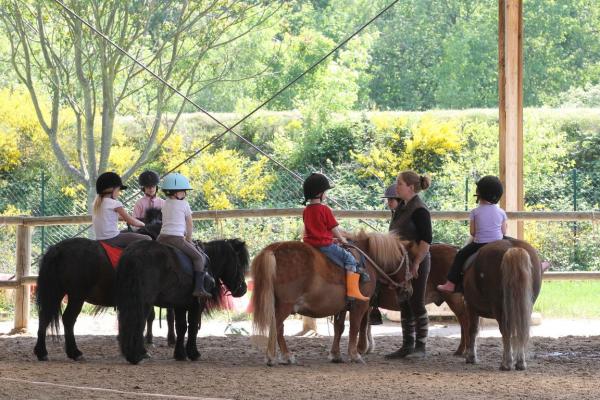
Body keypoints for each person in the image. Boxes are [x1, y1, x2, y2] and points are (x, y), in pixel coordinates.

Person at [385, 171, 432, 359]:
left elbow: (426, 240)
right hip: (401, 262)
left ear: (411, 187)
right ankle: (407, 345)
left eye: (400, 184)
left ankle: (421, 346)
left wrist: (416, 264)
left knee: (416, 301)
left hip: (415, 260)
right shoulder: (403, 207)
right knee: (404, 301)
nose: (397, 187)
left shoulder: (420, 209)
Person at [302, 173, 369, 301]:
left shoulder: (306, 210)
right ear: (319, 193)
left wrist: (330, 238)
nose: (326, 195)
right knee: (350, 259)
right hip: (324, 246)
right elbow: (333, 229)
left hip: (310, 245)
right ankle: (352, 291)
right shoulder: (325, 209)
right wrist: (342, 239)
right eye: (325, 192)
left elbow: (315, 230)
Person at [437, 175, 507, 293]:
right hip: (499, 242)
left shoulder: (475, 212)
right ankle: (537, 264)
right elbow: (504, 231)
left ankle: (451, 283)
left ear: (479, 193)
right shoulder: (501, 212)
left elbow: (473, 232)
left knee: (460, 255)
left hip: (479, 244)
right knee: (518, 244)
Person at [156, 172, 214, 299]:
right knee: (199, 258)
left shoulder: (165, 203)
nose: (185, 194)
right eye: (183, 191)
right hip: (176, 239)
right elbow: (189, 223)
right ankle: (198, 289)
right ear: (176, 192)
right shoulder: (184, 204)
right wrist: (188, 239)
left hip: (161, 238)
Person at [370, 183, 403, 325]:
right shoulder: (396, 214)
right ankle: (374, 304)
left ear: (399, 200)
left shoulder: (403, 215)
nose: (389, 203)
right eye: (388, 200)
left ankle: (374, 303)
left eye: (391, 200)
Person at [92, 172, 151, 247]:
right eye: (118, 190)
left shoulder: (97, 203)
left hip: (99, 238)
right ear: (112, 189)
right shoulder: (115, 204)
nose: (119, 193)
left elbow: (108, 217)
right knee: (147, 238)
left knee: (128, 231)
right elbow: (131, 221)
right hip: (112, 238)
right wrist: (144, 224)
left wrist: (123, 218)